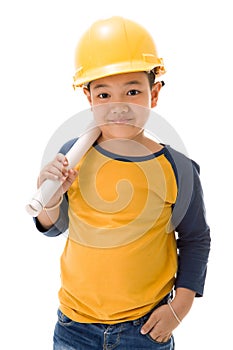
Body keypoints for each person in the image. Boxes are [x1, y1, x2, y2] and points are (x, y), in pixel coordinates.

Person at [34, 16, 210, 349]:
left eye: (132, 91)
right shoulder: (72, 156)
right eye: (103, 94)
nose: (119, 106)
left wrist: (181, 305)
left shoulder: (177, 168)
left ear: (154, 94)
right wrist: (52, 200)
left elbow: (195, 237)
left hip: (144, 329)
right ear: (88, 97)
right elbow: (53, 226)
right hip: (74, 326)